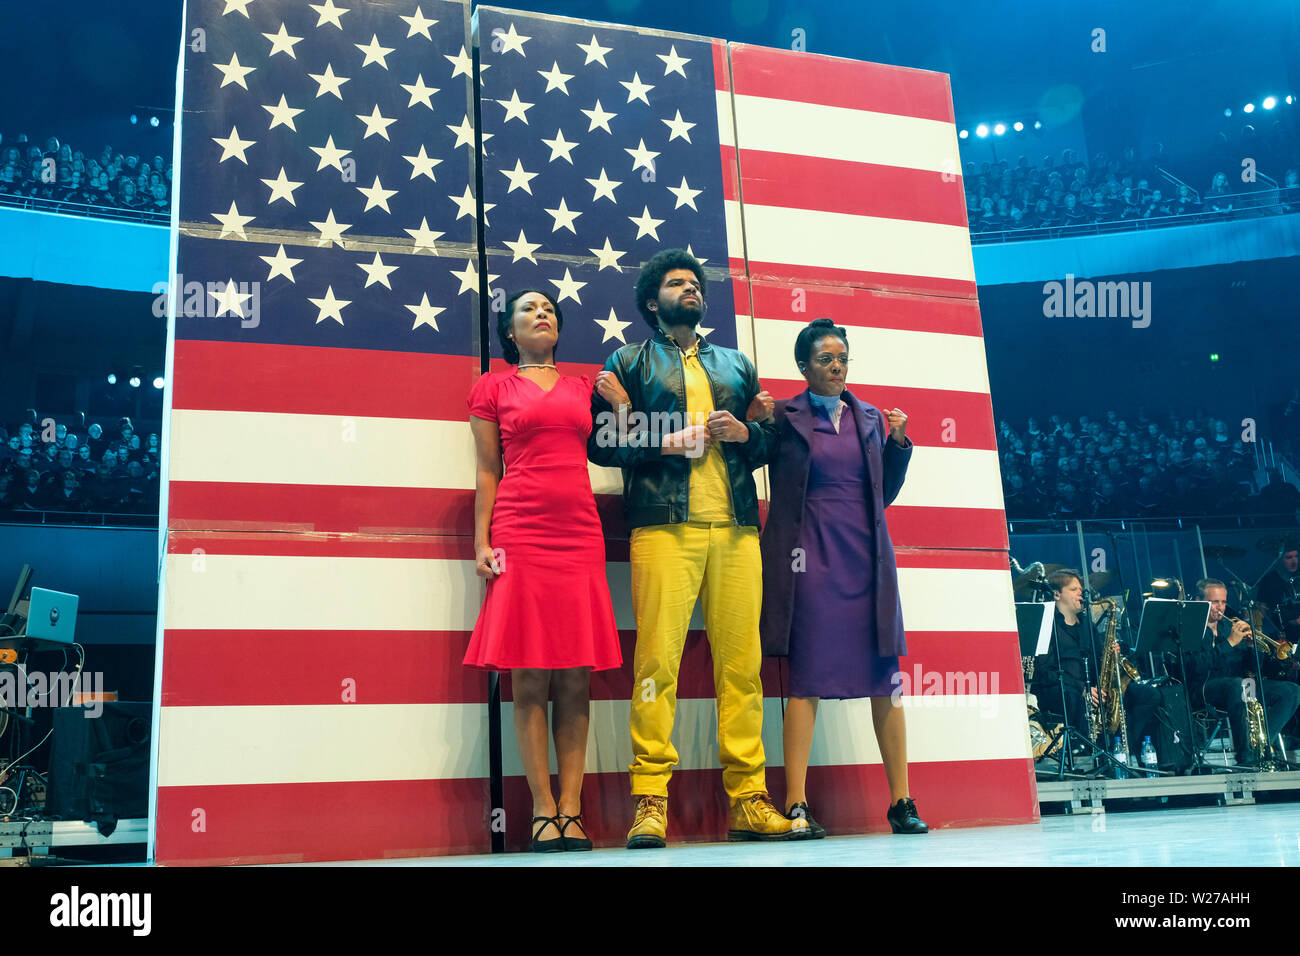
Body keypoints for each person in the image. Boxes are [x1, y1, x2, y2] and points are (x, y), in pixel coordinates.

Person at [588, 248, 801, 848]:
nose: (689, 289)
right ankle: (650, 801)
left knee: (743, 667)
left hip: (736, 529)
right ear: (651, 300)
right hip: (662, 527)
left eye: (693, 283)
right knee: (657, 664)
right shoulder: (626, 361)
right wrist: (665, 438)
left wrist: (750, 432)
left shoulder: (735, 363)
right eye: (675, 283)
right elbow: (602, 444)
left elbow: (769, 449)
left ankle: (749, 800)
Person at [752, 317, 927, 836]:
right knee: (806, 682)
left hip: (867, 563)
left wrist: (898, 443)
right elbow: (751, 455)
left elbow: (884, 493)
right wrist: (753, 420)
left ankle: (901, 803)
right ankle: (798, 804)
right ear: (803, 366)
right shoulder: (782, 416)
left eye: (843, 358)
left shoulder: (871, 418)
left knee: (885, 682)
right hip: (809, 563)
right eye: (826, 359)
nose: (836, 367)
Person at [463, 289, 622, 852]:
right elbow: (487, 471)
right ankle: (542, 809)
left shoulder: (587, 387)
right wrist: (480, 541)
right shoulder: (492, 387)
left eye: (550, 308)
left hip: (579, 532)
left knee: (576, 672)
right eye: (529, 309)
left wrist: (622, 404)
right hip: (520, 531)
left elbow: (630, 445)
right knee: (529, 671)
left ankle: (573, 810)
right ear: (511, 332)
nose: (543, 313)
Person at [1188, 579, 1300, 764]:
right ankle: (1245, 756)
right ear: (1200, 600)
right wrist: (1230, 643)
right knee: (1239, 685)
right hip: (1204, 688)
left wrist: (1252, 648)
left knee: (1291, 691)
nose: (1220, 607)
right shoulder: (1191, 629)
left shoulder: (1228, 627)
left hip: (1239, 686)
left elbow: (1252, 670)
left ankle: (1261, 746)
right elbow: (1194, 666)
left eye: (1223, 602)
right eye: (1215, 602)